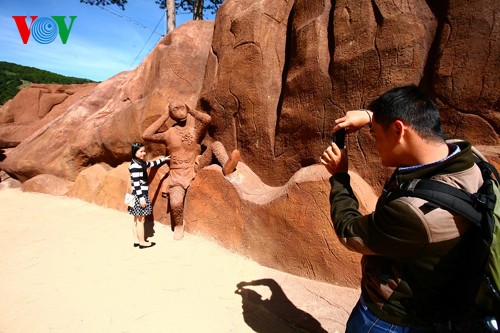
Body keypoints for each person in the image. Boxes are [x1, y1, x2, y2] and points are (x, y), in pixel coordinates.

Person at [320, 85, 485, 332]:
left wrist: (340, 177)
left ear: (398, 129)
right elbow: (418, 128)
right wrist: (370, 117)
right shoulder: (469, 159)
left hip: (390, 318)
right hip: (439, 304)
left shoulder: (413, 213)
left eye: (375, 135)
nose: (375, 143)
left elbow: (349, 232)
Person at [142, 100, 239, 240]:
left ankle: (227, 166)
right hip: (177, 174)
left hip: (195, 166)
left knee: (216, 145)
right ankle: (179, 225)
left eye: (182, 108)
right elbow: (146, 135)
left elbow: (207, 120)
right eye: (176, 109)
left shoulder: (194, 132)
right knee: (175, 202)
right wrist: (164, 115)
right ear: (171, 113)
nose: (180, 111)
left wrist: (191, 110)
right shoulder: (167, 134)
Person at [128, 142, 169, 249]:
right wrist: (142, 199)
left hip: (136, 195)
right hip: (139, 195)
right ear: (134, 152)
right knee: (141, 220)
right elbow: (136, 184)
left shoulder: (139, 163)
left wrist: (163, 159)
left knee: (136, 219)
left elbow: (151, 164)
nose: (144, 153)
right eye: (141, 151)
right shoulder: (135, 166)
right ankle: (142, 242)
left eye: (144, 151)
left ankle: (136, 240)